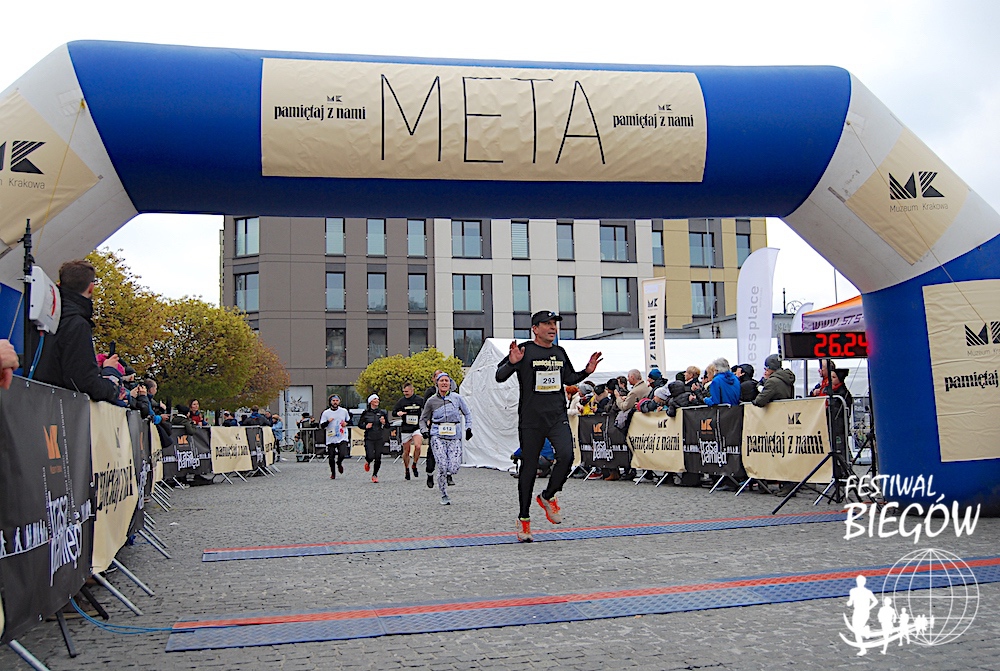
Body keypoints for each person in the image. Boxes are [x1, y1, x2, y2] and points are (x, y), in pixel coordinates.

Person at [495, 310, 600, 542]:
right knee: (529, 467)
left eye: (554, 324)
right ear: (535, 329)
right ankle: (524, 520)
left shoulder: (559, 352)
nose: (553, 328)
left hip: (556, 416)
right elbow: (499, 376)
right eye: (547, 324)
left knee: (567, 455)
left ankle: (548, 495)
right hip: (531, 419)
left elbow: (568, 378)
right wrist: (512, 363)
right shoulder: (523, 350)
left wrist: (586, 372)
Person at [32, 259, 120, 403]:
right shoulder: (77, 325)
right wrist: (110, 378)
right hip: (57, 408)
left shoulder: (39, 317)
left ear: (59, 285)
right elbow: (84, 382)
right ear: (91, 288)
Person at [419, 372, 473, 505]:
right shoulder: (431, 401)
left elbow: (467, 413)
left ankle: (448, 475)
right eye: (441, 381)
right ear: (437, 383)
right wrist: (424, 431)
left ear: (450, 384)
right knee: (442, 466)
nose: (444, 383)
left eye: (446, 381)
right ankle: (444, 494)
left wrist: (468, 428)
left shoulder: (457, 398)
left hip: (454, 435)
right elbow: (423, 419)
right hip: (437, 435)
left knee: (453, 468)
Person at [392, 382, 426, 480]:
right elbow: (394, 412)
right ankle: (406, 469)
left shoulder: (419, 400)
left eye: (407, 391)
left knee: (418, 446)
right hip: (406, 428)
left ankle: (414, 464)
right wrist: (398, 413)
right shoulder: (401, 401)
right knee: (406, 451)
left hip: (417, 427)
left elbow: (427, 409)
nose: (405, 393)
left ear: (412, 390)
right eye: (404, 391)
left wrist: (426, 420)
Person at [423, 369, 448, 488]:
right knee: (432, 451)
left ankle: (448, 474)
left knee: (449, 449)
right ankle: (430, 473)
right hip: (435, 425)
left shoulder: (450, 394)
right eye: (439, 378)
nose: (442, 381)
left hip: (448, 426)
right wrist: (427, 420)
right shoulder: (430, 393)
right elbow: (425, 408)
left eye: (444, 379)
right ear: (434, 379)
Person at [320, 394, 352, 479]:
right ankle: (333, 473)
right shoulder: (326, 413)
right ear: (330, 402)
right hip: (331, 437)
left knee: (342, 453)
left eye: (337, 401)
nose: (335, 402)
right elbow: (322, 425)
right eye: (333, 401)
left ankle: (339, 463)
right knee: (331, 457)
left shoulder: (343, 411)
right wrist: (328, 421)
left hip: (342, 436)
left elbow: (349, 421)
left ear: (339, 402)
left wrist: (346, 423)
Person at [358, 394, 388, 482]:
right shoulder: (365, 413)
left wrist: (384, 422)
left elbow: (388, 425)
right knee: (370, 456)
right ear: (370, 401)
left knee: (378, 457)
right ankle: (368, 461)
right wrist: (365, 426)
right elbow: (360, 424)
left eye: (378, 399)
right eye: (375, 399)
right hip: (369, 437)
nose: (377, 400)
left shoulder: (382, 413)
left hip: (379, 437)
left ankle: (375, 474)